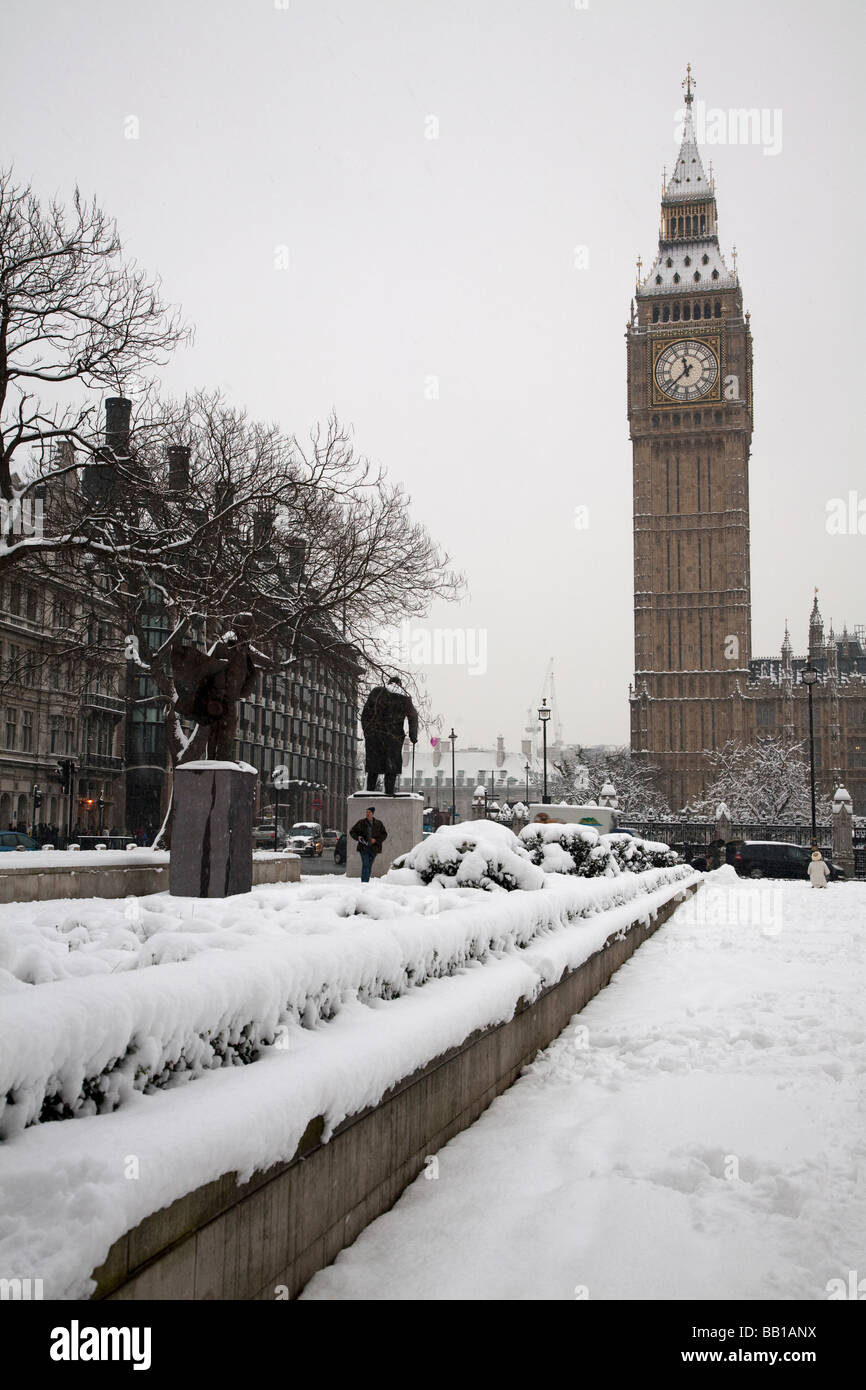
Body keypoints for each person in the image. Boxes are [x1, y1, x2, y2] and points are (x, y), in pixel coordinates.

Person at [349, 806, 388, 883]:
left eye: (369, 812)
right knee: (366, 864)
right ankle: (364, 882)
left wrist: (376, 840)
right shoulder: (361, 822)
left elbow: (384, 834)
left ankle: (366, 881)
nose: (367, 814)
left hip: (374, 848)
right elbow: (352, 831)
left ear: (373, 814)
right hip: (363, 847)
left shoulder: (378, 823)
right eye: (366, 812)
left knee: (369, 865)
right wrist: (358, 838)